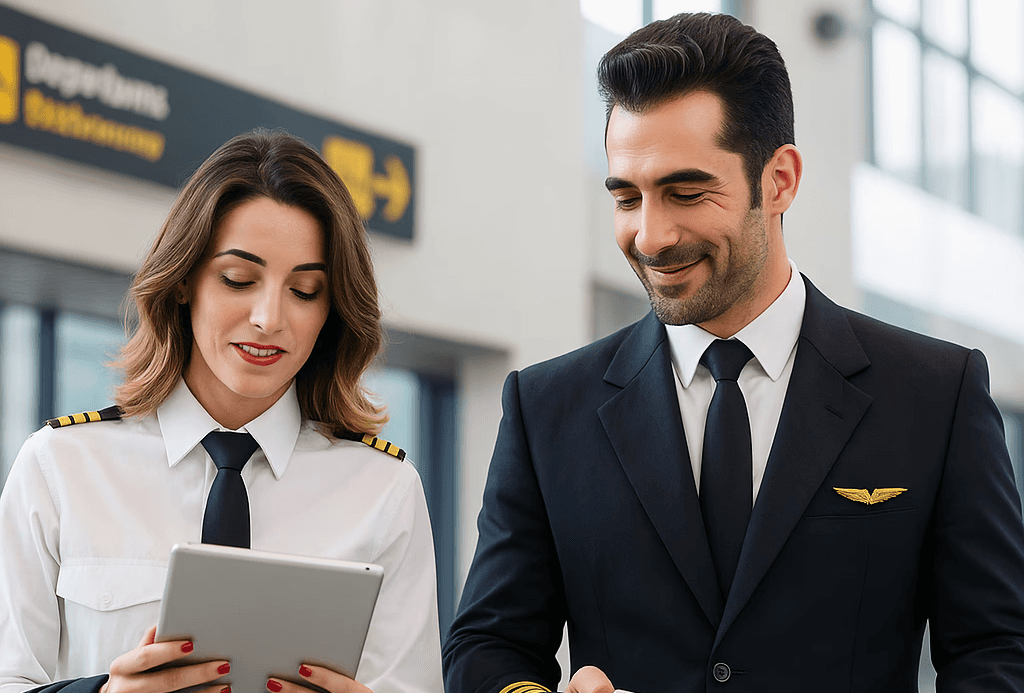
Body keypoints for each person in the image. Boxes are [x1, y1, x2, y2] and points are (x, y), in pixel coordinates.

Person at [443, 12, 1024, 693]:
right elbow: (488, 646)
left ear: (779, 180)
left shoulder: (935, 394)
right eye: (627, 197)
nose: (650, 236)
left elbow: (997, 650)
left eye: (686, 193)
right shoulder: (545, 408)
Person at [0, 131, 443, 693]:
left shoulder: (385, 490)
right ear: (184, 281)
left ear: (331, 310)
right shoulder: (59, 467)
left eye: (305, 290)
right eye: (238, 280)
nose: (268, 318)